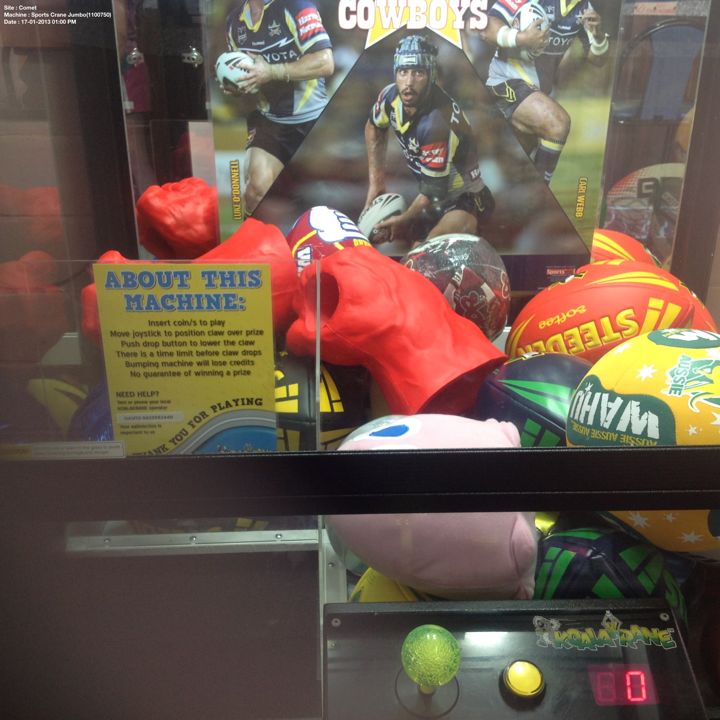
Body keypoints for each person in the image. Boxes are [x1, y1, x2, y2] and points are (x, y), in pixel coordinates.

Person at [364, 35, 494, 246]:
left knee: (424, 255)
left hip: (467, 200)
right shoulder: (389, 96)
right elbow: (374, 128)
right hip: (433, 200)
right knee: (412, 258)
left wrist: (404, 219)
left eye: (418, 73)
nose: (408, 82)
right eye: (403, 72)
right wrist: (376, 182)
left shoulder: (437, 122)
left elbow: (434, 189)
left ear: (431, 75)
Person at [223, 0, 334, 217]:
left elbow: (325, 62)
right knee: (255, 191)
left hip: (313, 120)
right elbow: (246, 75)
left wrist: (272, 71)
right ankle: (260, 238)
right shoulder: (234, 21)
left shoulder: (297, 6)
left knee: (314, 198)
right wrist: (237, 86)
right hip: (270, 120)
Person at [481, 0, 610, 184]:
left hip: (536, 91)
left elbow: (598, 60)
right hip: (505, 82)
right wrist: (522, 38)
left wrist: (598, 36)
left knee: (516, 169)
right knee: (558, 123)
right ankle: (541, 194)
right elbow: (487, 28)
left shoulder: (584, 7)